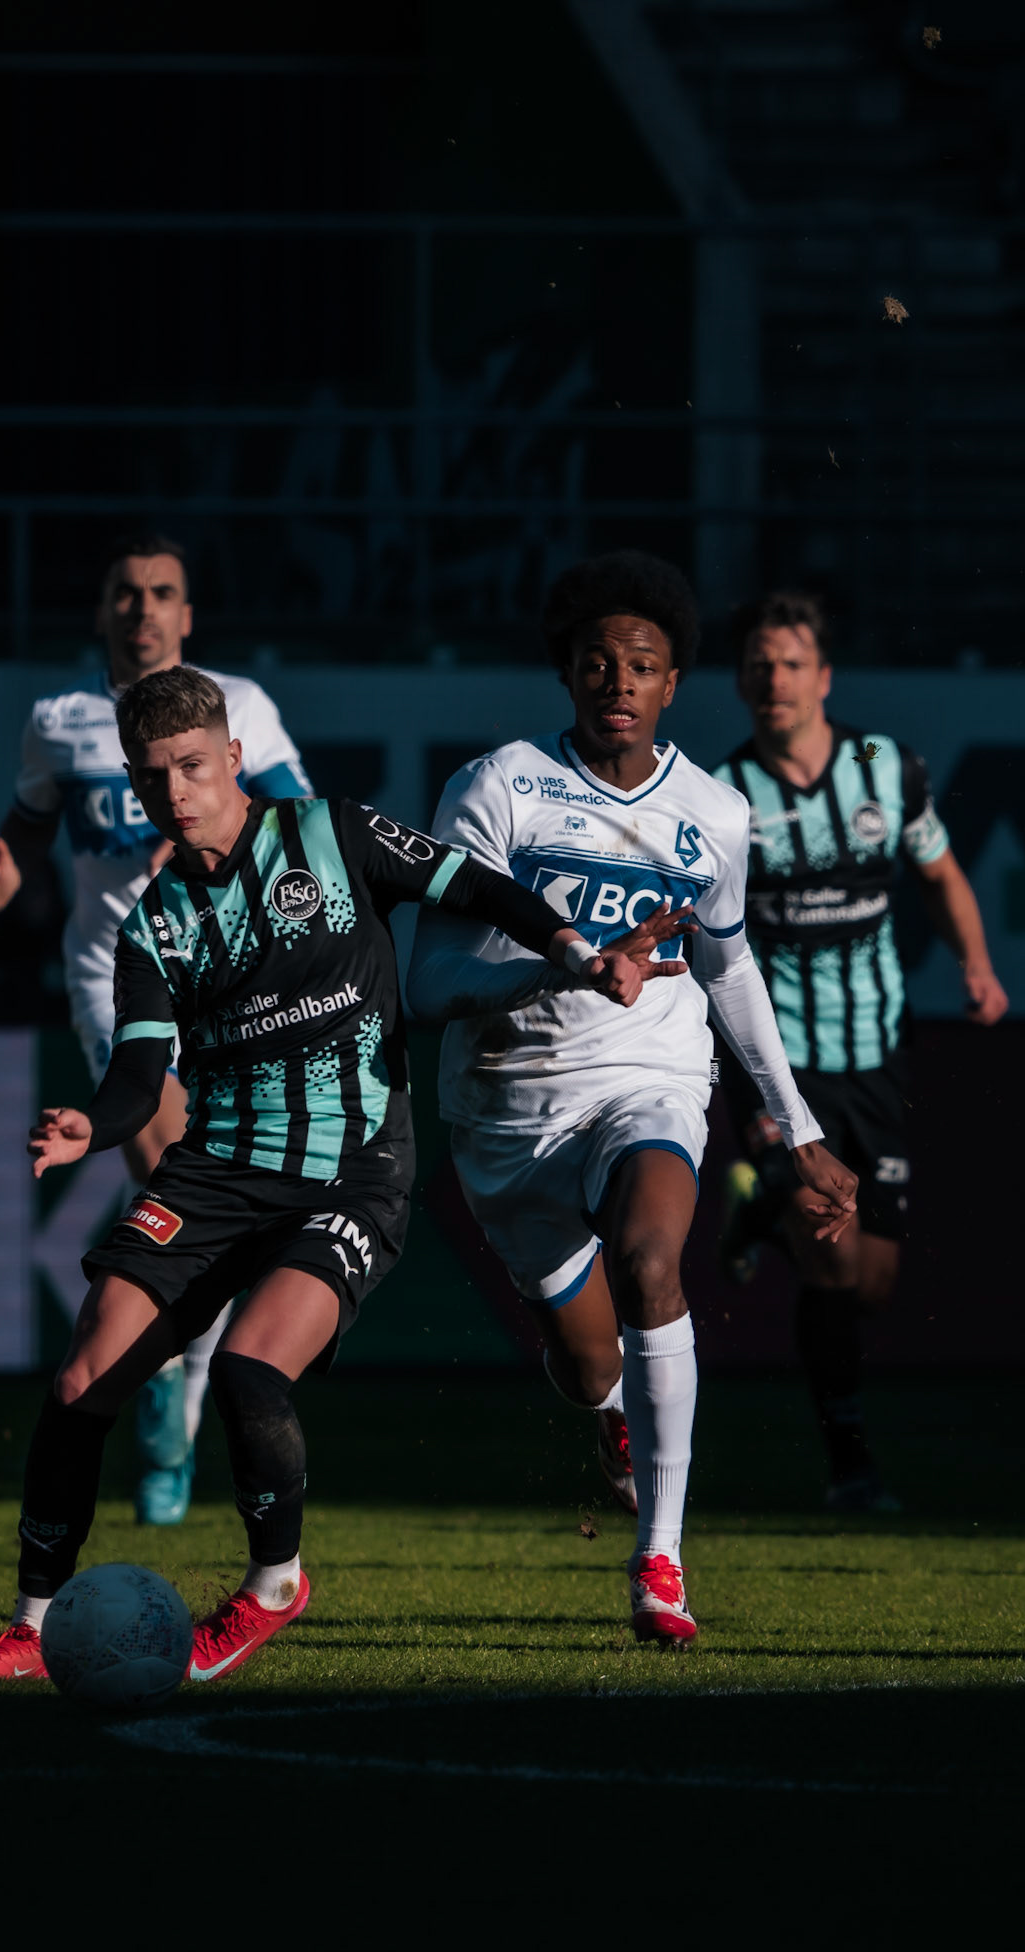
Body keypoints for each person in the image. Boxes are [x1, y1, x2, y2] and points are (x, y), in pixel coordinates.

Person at [0, 666, 653, 1685]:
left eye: (192, 766)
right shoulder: (153, 928)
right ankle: (32, 1615)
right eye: (152, 780)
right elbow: (139, 1078)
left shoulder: (333, 833)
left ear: (234, 758)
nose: (174, 793)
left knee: (247, 1370)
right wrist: (87, 1127)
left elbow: (475, 884)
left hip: (351, 1172)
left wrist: (578, 951)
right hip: (217, 1173)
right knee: (79, 1380)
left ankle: (273, 1583)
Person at [406, 551, 858, 1646]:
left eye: (642, 665)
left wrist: (797, 1125)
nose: (618, 679)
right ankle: (612, 1415)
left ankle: (660, 1558)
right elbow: (430, 984)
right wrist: (559, 963)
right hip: (506, 1112)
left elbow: (730, 967)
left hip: (648, 1077)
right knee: (589, 1360)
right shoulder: (499, 787)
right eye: (598, 662)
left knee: (655, 1259)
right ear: (568, 674)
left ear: (671, 684)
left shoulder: (714, 815)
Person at [0, 533, 311, 1526]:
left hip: (231, 977)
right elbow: (29, 822)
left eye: (164, 592)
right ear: (102, 612)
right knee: (177, 1183)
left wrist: (209, 828)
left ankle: (180, 1384)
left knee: (212, 1209)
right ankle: (175, 1396)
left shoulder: (240, 706)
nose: (145, 608)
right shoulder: (63, 721)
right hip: (115, 976)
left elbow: (298, 823)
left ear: (189, 614)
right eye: (127, 592)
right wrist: (5, 872)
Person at [714, 592, 1007, 1508]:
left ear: (824, 678)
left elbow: (940, 874)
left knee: (871, 1283)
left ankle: (756, 1209)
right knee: (831, 1264)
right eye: (759, 665)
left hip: (876, 1052)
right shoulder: (723, 795)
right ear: (739, 681)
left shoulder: (888, 767)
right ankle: (850, 1465)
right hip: (781, 1066)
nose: (774, 680)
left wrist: (977, 965)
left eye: (790, 663)